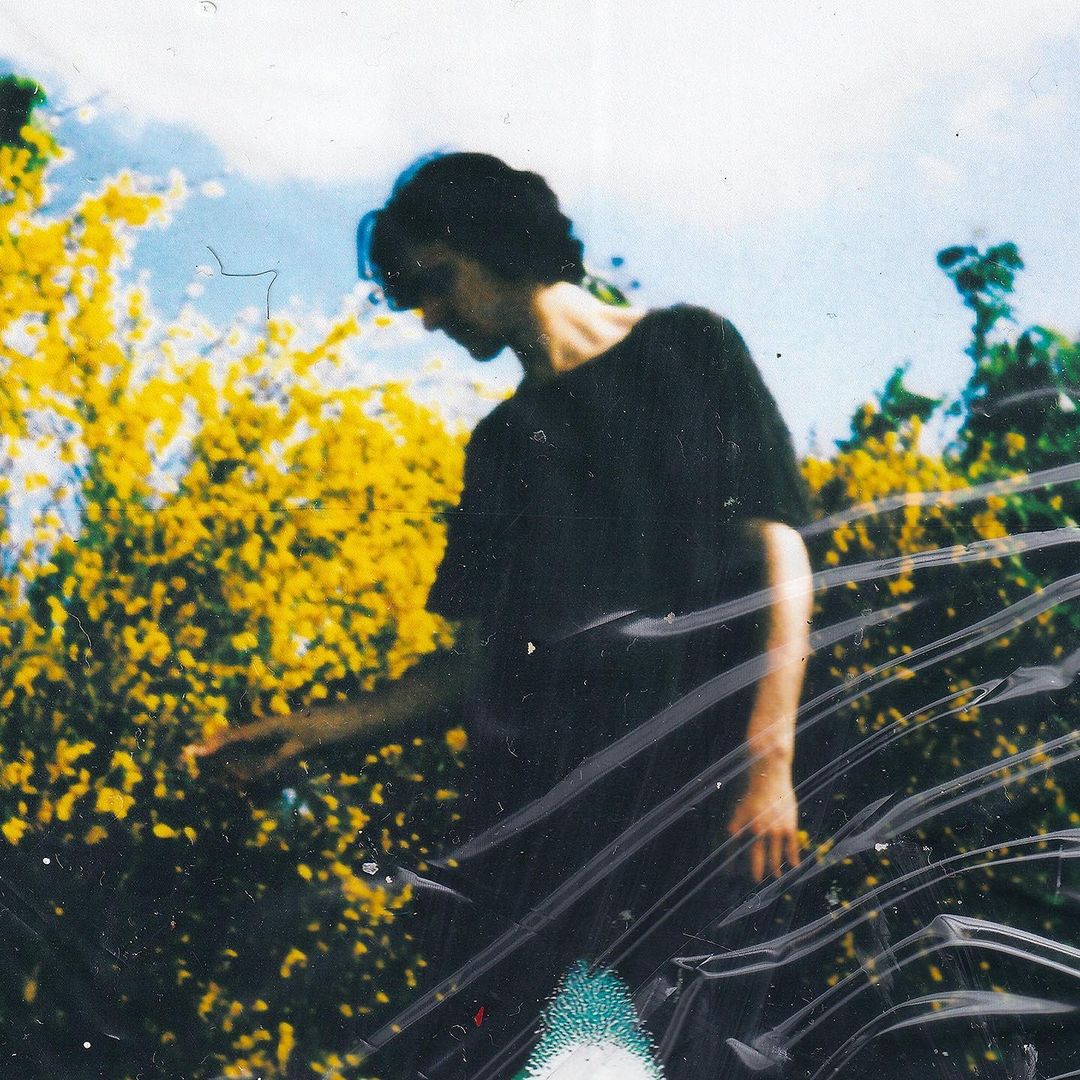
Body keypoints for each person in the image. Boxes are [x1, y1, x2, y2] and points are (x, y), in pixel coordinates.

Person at [192, 152, 814, 1078]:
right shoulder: (500, 447)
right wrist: (312, 731)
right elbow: (482, 665)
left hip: (695, 796)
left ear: (497, 243)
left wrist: (767, 767)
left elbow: (775, 553)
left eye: (436, 281)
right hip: (545, 830)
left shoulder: (687, 347)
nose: (427, 316)